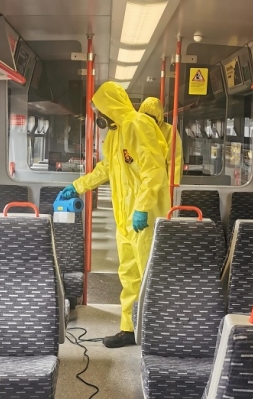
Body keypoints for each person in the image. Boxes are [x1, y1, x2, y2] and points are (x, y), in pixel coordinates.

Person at [58, 81, 170, 348]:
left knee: (149, 275)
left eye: (99, 110)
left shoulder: (138, 125)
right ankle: (130, 328)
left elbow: (153, 170)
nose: (98, 116)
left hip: (144, 215)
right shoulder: (116, 134)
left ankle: (156, 331)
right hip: (124, 217)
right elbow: (106, 169)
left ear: (110, 106)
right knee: (128, 274)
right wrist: (77, 186)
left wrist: (142, 207)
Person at [138, 97, 183, 185]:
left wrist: (172, 187)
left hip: (160, 184)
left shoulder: (170, 131)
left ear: (158, 118)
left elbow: (175, 162)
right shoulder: (135, 129)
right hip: (139, 183)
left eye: (152, 118)